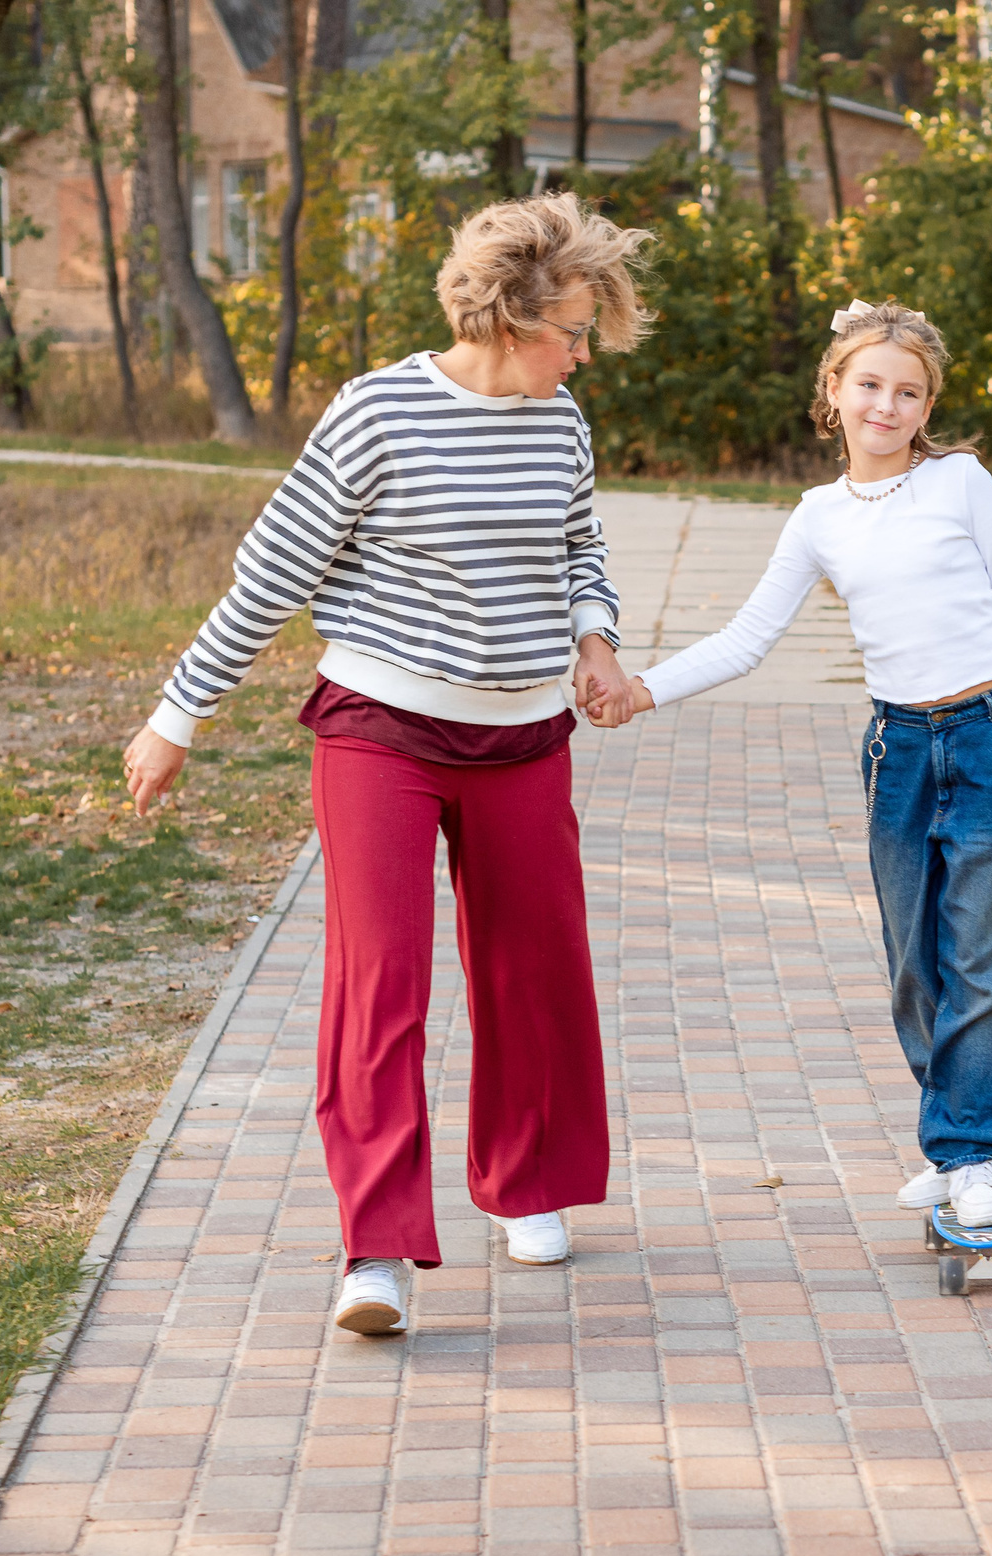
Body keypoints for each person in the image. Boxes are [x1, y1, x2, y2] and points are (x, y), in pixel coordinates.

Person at [121, 193, 653, 1336]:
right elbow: (268, 573)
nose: (583, 352)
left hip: (522, 737)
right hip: (384, 728)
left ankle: (528, 1183)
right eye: (571, 328)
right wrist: (178, 713)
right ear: (509, 316)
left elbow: (580, 549)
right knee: (383, 982)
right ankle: (376, 1248)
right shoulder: (377, 414)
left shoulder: (560, 425)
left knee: (534, 968)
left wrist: (596, 640)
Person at [590, 299, 992, 1226]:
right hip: (898, 751)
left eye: (908, 392)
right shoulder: (817, 518)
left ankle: (972, 1152)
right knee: (916, 964)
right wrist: (641, 690)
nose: (885, 407)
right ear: (834, 392)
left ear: (928, 407)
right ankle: (967, 1131)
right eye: (869, 386)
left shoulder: (962, 483)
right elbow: (746, 638)